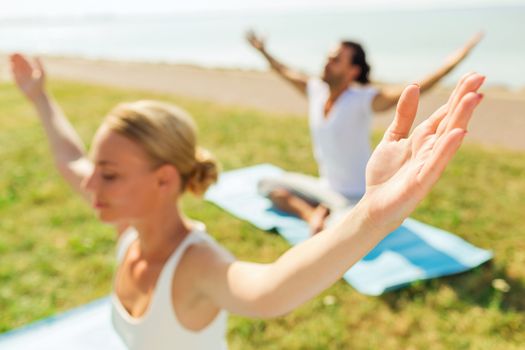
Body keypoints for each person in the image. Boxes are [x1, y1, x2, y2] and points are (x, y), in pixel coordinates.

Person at [10, 52, 484, 350]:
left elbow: (272, 289)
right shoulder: (128, 227)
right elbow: (70, 159)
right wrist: (39, 97)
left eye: (109, 175)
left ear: (163, 180)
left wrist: (370, 216)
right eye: (96, 172)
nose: (90, 186)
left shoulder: (195, 265)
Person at [247, 31, 483, 234]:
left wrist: (455, 61)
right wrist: (263, 51)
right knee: (265, 185)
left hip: (357, 196)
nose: (326, 63)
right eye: (328, 57)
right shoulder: (315, 91)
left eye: (335, 59)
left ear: (353, 71)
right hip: (325, 187)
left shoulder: (363, 100)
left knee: (345, 230)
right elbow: (284, 71)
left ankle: (327, 216)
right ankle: (313, 216)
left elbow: (414, 89)